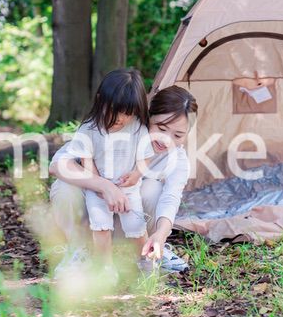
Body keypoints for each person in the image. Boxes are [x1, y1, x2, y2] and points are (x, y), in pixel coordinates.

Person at [49, 84, 197, 276]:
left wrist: (161, 233)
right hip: (93, 219)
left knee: (152, 188)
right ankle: (79, 249)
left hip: (132, 224)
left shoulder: (177, 159)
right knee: (64, 187)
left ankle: (146, 251)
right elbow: (57, 165)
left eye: (177, 135)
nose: (165, 139)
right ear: (147, 117)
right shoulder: (117, 129)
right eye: (161, 128)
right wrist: (104, 186)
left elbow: (171, 198)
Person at [51, 68, 152, 280]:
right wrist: (100, 184)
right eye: (115, 110)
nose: (121, 118)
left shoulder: (137, 128)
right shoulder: (89, 129)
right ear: (101, 101)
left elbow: (144, 158)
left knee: (136, 224)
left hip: (128, 190)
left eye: (128, 112)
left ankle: (146, 260)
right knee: (100, 225)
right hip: (96, 193)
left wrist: (136, 173)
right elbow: (83, 161)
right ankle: (101, 264)